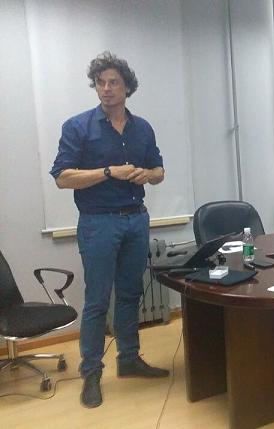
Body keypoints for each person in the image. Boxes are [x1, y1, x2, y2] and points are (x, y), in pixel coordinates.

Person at [49, 52, 168, 408]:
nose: (106, 89)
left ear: (127, 87)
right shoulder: (78, 126)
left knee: (130, 294)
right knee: (98, 300)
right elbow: (62, 177)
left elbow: (159, 170)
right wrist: (108, 172)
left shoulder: (142, 128)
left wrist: (148, 175)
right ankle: (91, 373)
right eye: (100, 83)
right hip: (98, 222)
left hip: (136, 219)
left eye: (113, 82)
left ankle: (128, 360)